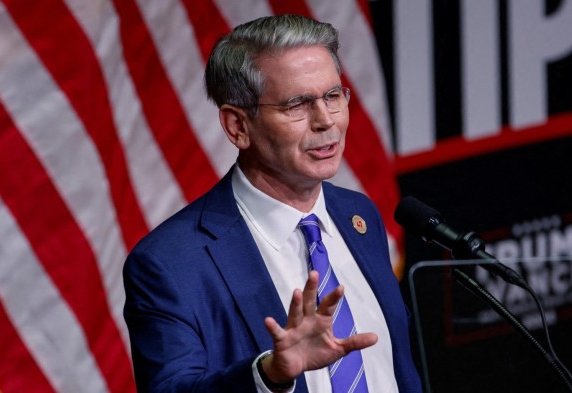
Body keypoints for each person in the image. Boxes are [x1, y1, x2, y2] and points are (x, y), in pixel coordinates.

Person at [123, 14, 423, 393]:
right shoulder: (171, 262)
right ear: (238, 126)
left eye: (333, 96)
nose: (325, 121)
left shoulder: (358, 215)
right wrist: (268, 375)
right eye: (297, 104)